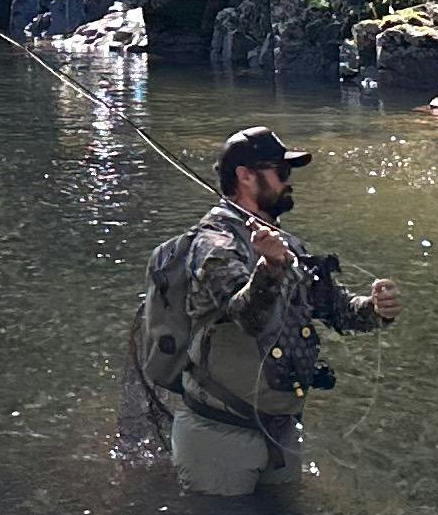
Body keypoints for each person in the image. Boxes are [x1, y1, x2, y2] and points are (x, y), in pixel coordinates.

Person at [132, 123, 400, 495]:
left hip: (281, 429)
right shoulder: (213, 244)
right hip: (219, 435)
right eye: (281, 171)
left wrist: (375, 309)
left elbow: (336, 309)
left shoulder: (287, 244)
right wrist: (269, 269)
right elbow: (247, 317)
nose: (289, 181)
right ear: (245, 176)